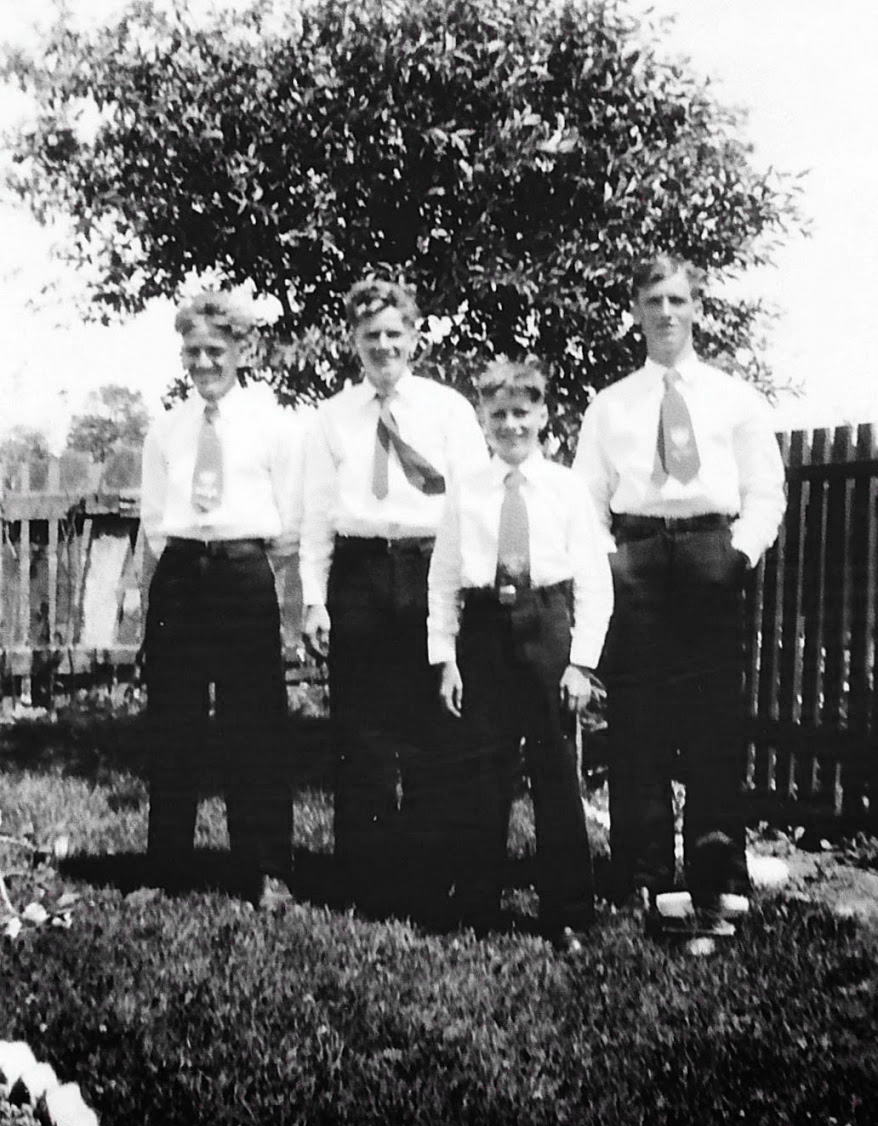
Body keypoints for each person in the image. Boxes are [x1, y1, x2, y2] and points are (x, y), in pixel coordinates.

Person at [573, 254, 786, 934]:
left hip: (707, 554)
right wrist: (612, 563)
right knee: (637, 722)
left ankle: (717, 873)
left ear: (696, 308)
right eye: (652, 300)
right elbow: (585, 498)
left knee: (714, 722)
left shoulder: (735, 397)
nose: (665, 312)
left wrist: (737, 554)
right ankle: (643, 874)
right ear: (634, 310)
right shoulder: (611, 404)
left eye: (677, 299)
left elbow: (764, 492)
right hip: (635, 555)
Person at [299, 277, 488, 925]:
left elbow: (473, 500)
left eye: (394, 333)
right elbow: (318, 513)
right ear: (353, 341)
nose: (383, 346)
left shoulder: (448, 409)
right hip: (357, 572)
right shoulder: (332, 417)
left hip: (430, 565)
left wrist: (465, 593)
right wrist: (314, 599)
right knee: (363, 730)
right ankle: (369, 880)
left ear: (414, 336)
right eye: (370, 335)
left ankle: (430, 878)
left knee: (434, 725)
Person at [428, 358, 614, 951]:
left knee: (556, 772)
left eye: (521, 413)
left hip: (546, 624)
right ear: (483, 420)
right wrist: (447, 655)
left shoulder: (566, 488)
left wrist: (581, 661)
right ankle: (478, 902)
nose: (510, 425)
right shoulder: (467, 489)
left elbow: (592, 579)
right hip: (483, 627)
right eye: (498, 414)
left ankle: (566, 911)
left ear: (542, 416)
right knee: (484, 770)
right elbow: (444, 577)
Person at [140, 290, 306, 909]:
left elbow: (289, 520)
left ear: (242, 350)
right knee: (172, 724)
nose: (204, 361)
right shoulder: (167, 429)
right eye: (193, 350)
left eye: (216, 348)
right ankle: (164, 868)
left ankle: (266, 869)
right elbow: (155, 518)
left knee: (255, 724)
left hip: (242, 572)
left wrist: (258, 573)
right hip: (180, 574)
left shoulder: (275, 425)